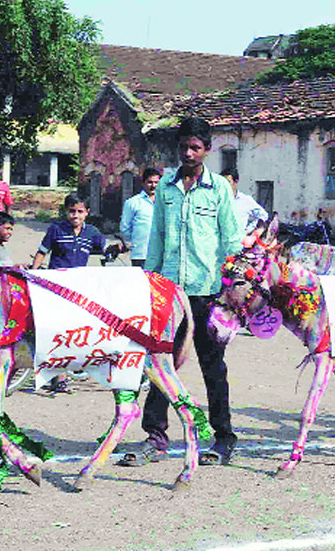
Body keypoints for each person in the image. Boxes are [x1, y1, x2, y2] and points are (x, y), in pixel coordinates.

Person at [119, 117, 242, 467]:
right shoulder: (167, 190)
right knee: (160, 366)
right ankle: (155, 439)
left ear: (207, 150)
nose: (188, 153)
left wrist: (230, 288)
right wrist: (148, 281)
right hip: (169, 293)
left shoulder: (218, 188)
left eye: (196, 148)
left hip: (207, 292)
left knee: (212, 367)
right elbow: (156, 238)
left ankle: (223, 438)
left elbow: (231, 240)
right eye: (184, 147)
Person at [31, 193, 116, 394]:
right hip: (56, 287)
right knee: (55, 331)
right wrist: (33, 273)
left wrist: (115, 249)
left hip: (79, 289)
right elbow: (42, 252)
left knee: (75, 331)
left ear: (87, 213)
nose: (75, 215)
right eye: (71, 211)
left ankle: (71, 369)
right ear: (66, 212)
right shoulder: (55, 229)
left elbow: (105, 248)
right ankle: (57, 377)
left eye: (80, 211)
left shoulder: (92, 233)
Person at [119, 168, 159, 267]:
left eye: (156, 182)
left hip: (161, 254)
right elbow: (125, 228)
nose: (153, 186)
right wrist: (131, 244)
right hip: (141, 254)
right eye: (150, 182)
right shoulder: (133, 202)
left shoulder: (165, 202)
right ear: (143, 183)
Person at [220, 167, 267, 235]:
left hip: (238, 241)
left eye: (228, 182)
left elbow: (264, 216)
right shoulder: (216, 200)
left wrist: (249, 229)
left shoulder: (245, 200)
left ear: (236, 182)